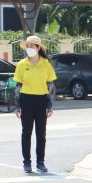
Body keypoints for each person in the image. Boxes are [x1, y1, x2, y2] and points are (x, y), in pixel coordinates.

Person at [14, 36, 57, 173]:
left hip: (41, 100)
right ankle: (27, 162)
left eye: (32, 46)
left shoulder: (46, 64)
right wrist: (17, 106)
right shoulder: (22, 64)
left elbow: (50, 86)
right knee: (26, 133)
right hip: (26, 100)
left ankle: (40, 162)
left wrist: (49, 106)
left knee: (41, 133)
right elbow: (18, 86)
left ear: (38, 48)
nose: (29, 48)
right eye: (27, 46)